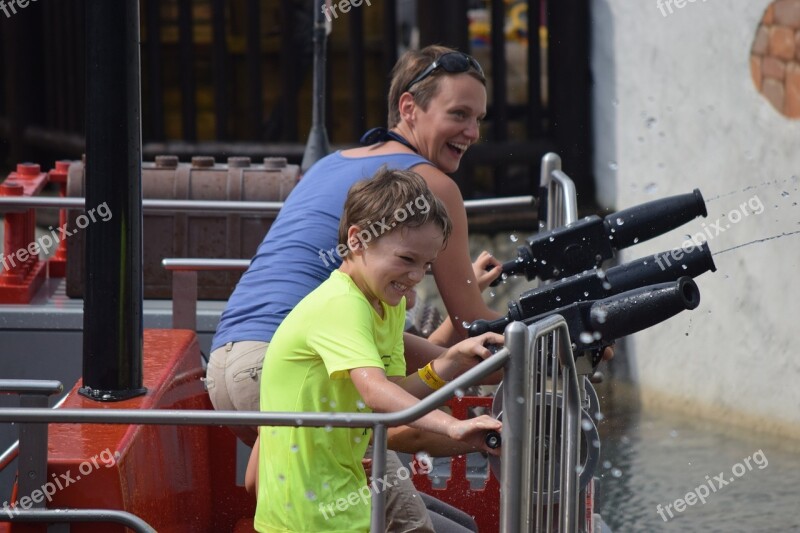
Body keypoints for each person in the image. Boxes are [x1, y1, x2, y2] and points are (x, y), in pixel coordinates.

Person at [207, 44, 501, 445]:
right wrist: (563, 349)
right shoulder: (432, 186)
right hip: (286, 365)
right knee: (426, 433)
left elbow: (391, 352)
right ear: (409, 107)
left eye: (478, 118)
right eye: (459, 114)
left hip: (228, 366)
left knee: (339, 481)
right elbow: (479, 336)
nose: (473, 132)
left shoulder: (332, 162)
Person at [252, 168, 503, 533]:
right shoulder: (341, 304)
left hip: (342, 503)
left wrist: (448, 362)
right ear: (357, 240)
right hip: (307, 519)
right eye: (406, 259)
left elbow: (392, 393)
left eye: (426, 264)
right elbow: (374, 389)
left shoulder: (387, 303)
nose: (416, 276)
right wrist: (453, 426)